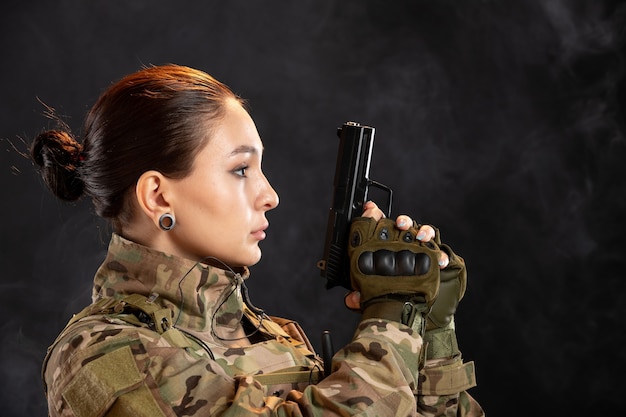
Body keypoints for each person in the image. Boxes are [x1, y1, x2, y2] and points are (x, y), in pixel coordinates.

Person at [32, 64, 484, 416]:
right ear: (158, 195)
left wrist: (428, 326)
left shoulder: (270, 336)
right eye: (240, 170)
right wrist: (390, 320)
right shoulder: (98, 355)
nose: (270, 196)